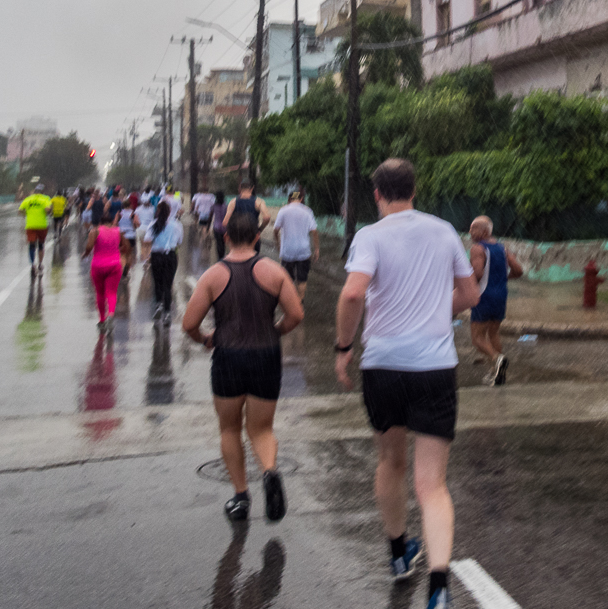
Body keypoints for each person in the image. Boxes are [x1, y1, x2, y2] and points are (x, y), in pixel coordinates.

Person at [335, 159, 480, 609]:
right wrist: (439, 310)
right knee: (431, 483)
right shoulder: (444, 231)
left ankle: (399, 555)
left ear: (377, 194)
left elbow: (354, 292)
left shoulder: (369, 237)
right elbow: (470, 295)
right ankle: (438, 587)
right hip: (434, 367)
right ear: (414, 190)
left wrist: (343, 347)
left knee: (390, 462)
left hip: (383, 366)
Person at [182, 211, 305, 522]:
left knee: (230, 428)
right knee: (261, 429)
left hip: (228, 358)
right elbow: (295, 315)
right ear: (256, 238)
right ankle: (269, 471)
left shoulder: (213, 275)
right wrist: (276, 330)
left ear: (225, 238)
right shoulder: (274, 271)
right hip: (265, 355)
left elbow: (189, 324)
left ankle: (240, 497)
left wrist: (206, 339)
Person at [468, 216, 524, 386]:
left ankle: (497, 358)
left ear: (485, 231)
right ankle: (497, 373)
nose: (471, 232)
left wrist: (462, 286)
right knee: (493, 333)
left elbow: (476, 274)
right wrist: (502, 279)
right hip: (501, 295)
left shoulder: (478, 249)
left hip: (483, 296)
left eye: (474, 228)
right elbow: (519, 270)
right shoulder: (502, 248)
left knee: (477, 338)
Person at [82, 207, 130, 332]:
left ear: (100, 223)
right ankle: (111, 314)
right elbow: (126, 247)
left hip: (97, 266)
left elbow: (89, 246)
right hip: (114, 266)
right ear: (111, 222)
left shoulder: (95, 231)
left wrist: (86, 253)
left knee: (100, 293)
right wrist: (120, 251)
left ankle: (102, 319)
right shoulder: (118, 231)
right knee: (112, 292)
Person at [272, 190, 320, 298]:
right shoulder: (308, 211)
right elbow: (314, 231)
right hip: (304, 251)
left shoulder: (283, 211)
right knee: (302, 279)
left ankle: (290, 303)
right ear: (301, 199)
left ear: (289, 199)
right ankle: (300, 303)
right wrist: (316, 249)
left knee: (288, 279)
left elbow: (275, 230)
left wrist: (278, 244)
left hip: (287, 251)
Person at [145, 201, 183, 326]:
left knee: (157, 283)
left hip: (156, 256)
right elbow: (179, 241)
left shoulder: (152, 224)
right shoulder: (176, 225)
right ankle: (167, 313)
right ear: (170, 211)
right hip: (170, 256)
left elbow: (147, 240)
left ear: (158, 211)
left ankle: (158, 305)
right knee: (168, 285)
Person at [224, 179, 272, 254]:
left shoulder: (233, 202)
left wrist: (233, 232)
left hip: (238, 238)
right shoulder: (259, 201)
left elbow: (225, 222)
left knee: (238, 263)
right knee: (253, 262)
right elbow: (267, 217)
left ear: (240, 188)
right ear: (252, 188)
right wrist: (259, 229)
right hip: (253, 236)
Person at [18, 184, 53, 277]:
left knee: (32, 245)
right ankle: (40, 264)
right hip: (42, 225)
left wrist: (27, 214)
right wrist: (47, 212)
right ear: (42, 192)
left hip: (30, 225)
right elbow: (48, 209)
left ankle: (33, 265)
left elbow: (20, 211)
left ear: (34, 191)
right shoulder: (46, 199)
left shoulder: (28, 199)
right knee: (41, 245)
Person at [134, 192, 156, 264]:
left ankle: (143, 262)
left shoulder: (138, 209)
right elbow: (154, 218)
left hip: (140, 229)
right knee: (149, 246)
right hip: (150, 230)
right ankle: (148, 260)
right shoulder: (152, 209)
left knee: (142, 246)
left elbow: (135, 220)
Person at [210, 190, 228, 259]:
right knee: (223, 243)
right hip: (225, 227)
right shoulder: (226, 206)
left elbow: (210, 216)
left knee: (218, 243)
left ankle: (219, 257)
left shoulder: (214, 206)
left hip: (216, 227)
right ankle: (223, 255)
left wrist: (208, 227)